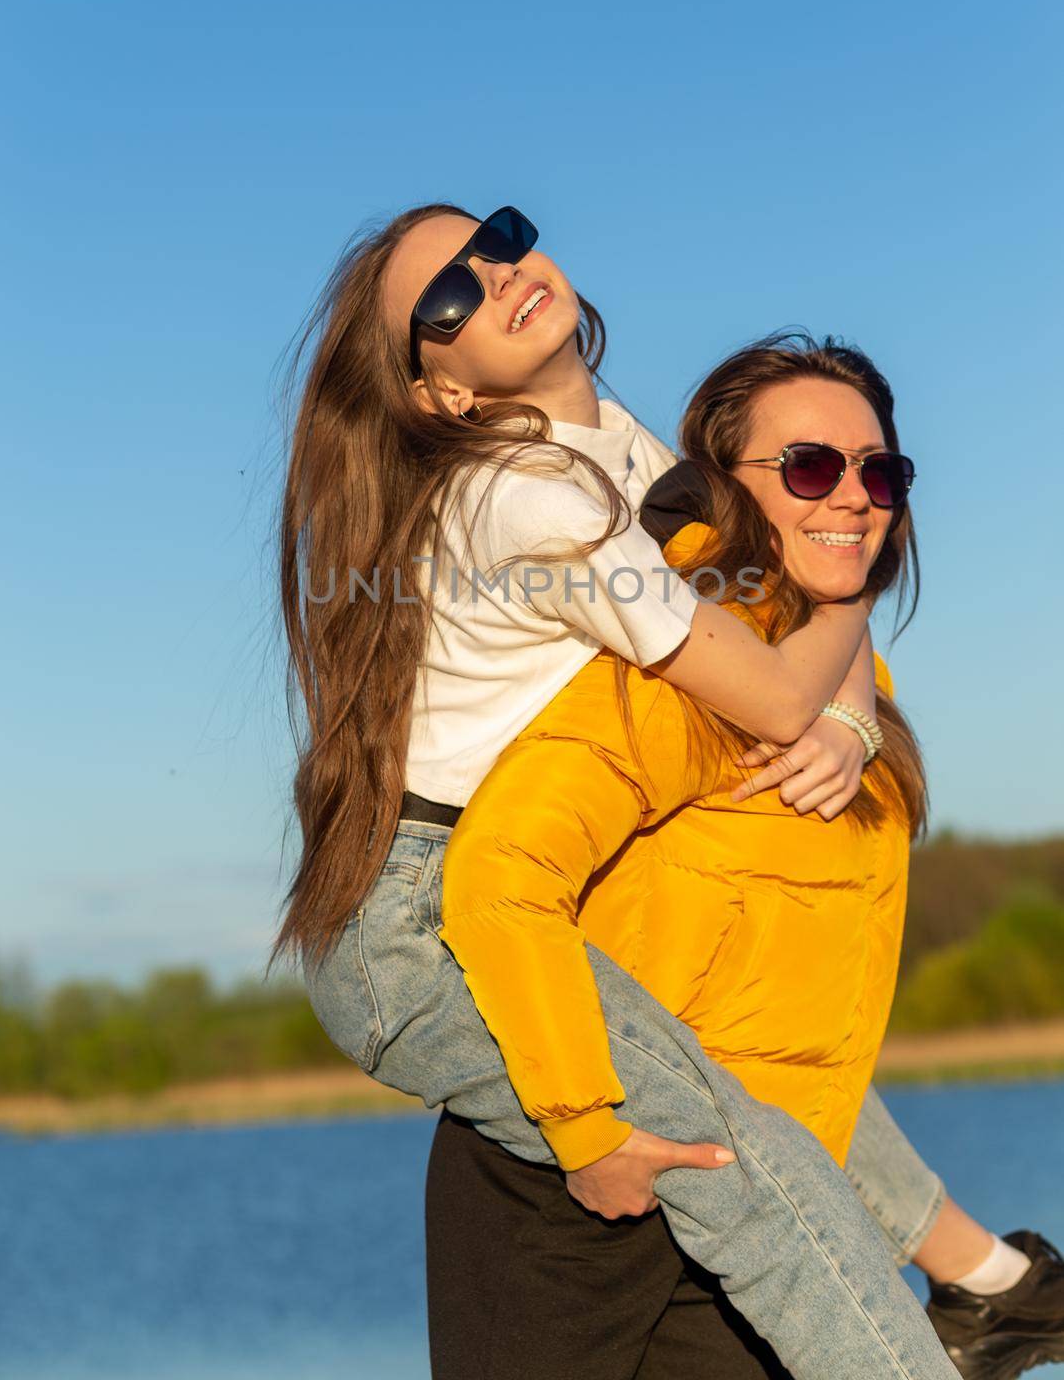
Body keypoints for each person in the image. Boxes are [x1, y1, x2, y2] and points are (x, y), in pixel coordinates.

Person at [277, 203, 956, 1379]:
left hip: (477, 894)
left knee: (763, 1120)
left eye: (496, 239)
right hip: (417, 924)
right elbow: (772, 683)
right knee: (755, 1176)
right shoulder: (531, 499)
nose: (494, 278)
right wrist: (583, 1127)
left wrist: (849, 696)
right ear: (437, 392)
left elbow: (765, 596)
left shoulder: (623, 452)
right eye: (446, 298)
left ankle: (990, 1281)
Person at [431, 333, 1064, 1380]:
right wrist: (587, 1130)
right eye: (810, 467)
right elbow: (500, 874)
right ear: (726, 490)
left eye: (879, 470)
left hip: (752, 1204)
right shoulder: (693, 659)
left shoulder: (855, 677)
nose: (853, 495)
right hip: (582, 1194)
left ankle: (999, 1290)